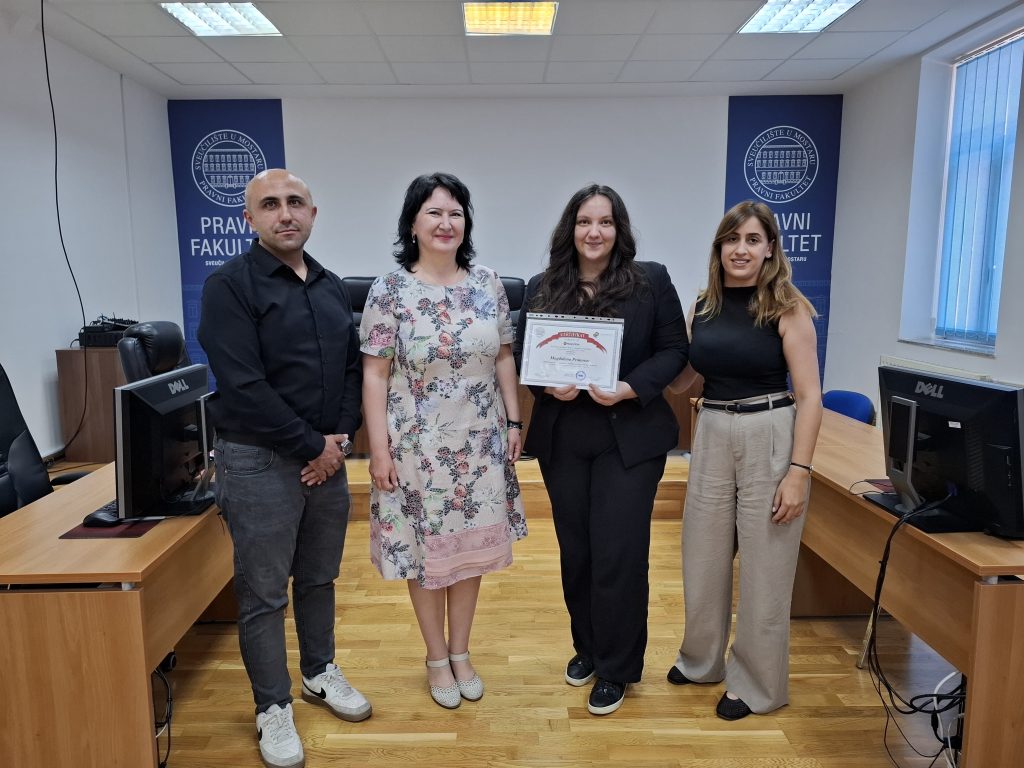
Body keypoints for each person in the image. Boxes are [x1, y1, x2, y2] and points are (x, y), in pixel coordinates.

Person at [198, 169, 371, 768]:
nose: (285, 213)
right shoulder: (228, 286)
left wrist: (337, 441)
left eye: (295, 202)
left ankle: (319, 672)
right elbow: (243, 386)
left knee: (319, 578)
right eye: (270, 205)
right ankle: (272, 706)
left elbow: (350, 368)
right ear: (250, 219)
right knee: (265, 594)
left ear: (313, 213)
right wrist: (313, 447)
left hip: (326, 459)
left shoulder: (329, 285)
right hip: (260, 462)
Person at [514, 184, 688, 716]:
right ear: (570, 229)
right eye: (585, 222)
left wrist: (630, 387)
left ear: (619, 229)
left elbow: (674, 351)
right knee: (578, 552)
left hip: (628, 437)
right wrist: (546, 385)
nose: (595, 232)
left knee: (619, 551)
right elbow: (525, 352)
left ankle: (617, 667)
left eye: (606, 222)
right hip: (565, 437)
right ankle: (587, 648)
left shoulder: (650, 281)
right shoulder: (543, 286)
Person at [360, 172, 527, 710]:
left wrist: (514, 422)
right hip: (416, 447)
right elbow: (375, 375)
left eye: (455, 213)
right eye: (433, 212)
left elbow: (504, 356)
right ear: (412, 223)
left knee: (469, 552)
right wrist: (379, 450)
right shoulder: (390, 290)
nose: (446, 222)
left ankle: (461, 652)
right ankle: (436, 657)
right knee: (425, 554)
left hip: (479, 442)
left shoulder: (488, 283)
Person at [667, 199, 822, 721]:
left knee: (765, 565)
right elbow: (684, 379)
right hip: (711, 427)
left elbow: (811, 397)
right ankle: (701, 661)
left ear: (770, 248)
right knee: (703, 554)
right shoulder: (702, 307)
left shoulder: (788, 308)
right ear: (719, 248)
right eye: (731, 240)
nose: (741, 249)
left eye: (753, 240)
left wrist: (798, 473)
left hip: (769, 429)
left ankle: (757, 684)